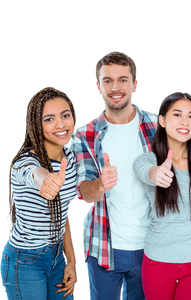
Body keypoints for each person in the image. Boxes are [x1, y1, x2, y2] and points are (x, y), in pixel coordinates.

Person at [71, 52, 157, 299]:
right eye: (107, 80)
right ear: (98, 86)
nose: (115, 87)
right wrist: (101, 183)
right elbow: (86, 192)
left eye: (123, 79)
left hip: (150, 245)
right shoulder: (85, 135)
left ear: (135, 84)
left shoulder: (157, 126)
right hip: (105, 246)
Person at [133, 92, 191, 300]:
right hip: (157, 263)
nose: (185, 122)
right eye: (177, 115)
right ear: (162, 120)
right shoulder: (149, 159)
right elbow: (142, 169)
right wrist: (156, 174)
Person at [1, 87, 77, 299]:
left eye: (65, 115)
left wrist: (71, 260)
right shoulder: (24, 163)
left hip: (56, 257)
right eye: (49, 119)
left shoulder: (69, 159)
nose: (61, 124)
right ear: (36, 124)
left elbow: (62, 214)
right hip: (24, 261)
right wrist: (45, 180)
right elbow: (35, 174)